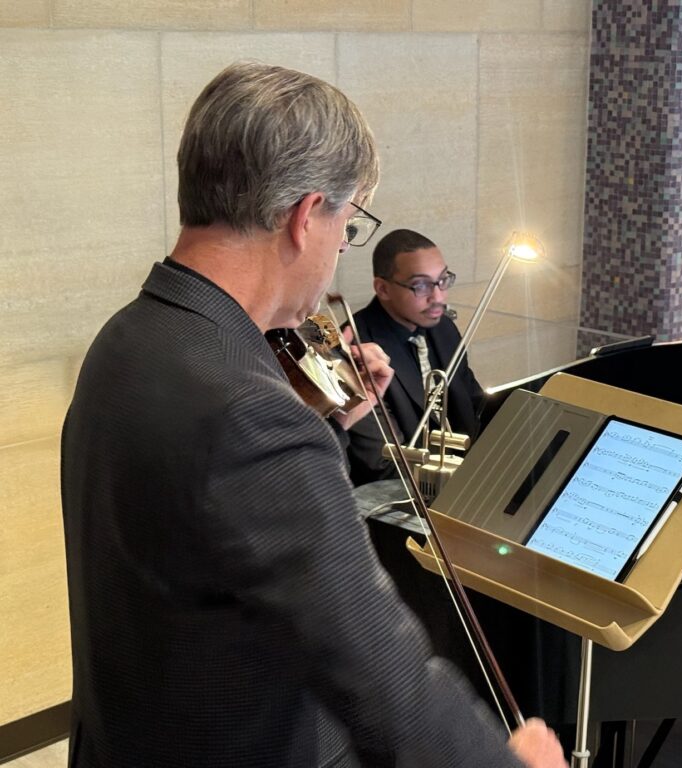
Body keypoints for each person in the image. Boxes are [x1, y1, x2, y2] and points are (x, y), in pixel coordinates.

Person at [60, 61, 566, 768]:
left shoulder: (131, 336)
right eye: (347, 226)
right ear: (306, 216)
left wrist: (321, 420)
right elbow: (387, 681)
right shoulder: (248, 414)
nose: (339, 251)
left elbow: (216, 531)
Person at [346, 229, 484, 485]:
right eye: (421, 286)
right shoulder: (358, 350)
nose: (438, 297)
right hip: (404, 499)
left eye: (443, 280)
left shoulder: (442, 327)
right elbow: (382, 463)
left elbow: (475, 406)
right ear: (383, 288)